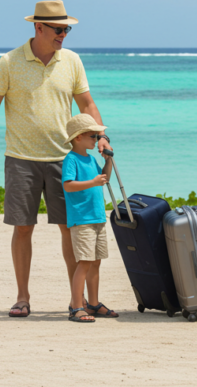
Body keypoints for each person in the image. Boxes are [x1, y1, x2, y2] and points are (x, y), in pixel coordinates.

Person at [0, 0, 112, 319]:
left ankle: (80, 301)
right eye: (58, 29)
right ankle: (22, 297)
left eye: (66, 29)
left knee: (70, 229)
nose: (64, 35)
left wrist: (101, 136)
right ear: (38, 28)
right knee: (22, 228)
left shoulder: (71, 61)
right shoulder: (10, 61)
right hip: (21, 159)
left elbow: (86, 104)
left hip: (65, 158)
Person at [61, 114, 117, 323]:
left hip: (97, 217)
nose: (97, 139)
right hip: (81, 218)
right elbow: (68, 185)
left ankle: (93, 303)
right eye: (92, 136)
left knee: (96, 262)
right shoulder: (71, 159)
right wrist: (92, 182)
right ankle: (77, 306)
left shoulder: (91, 159)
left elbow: (104, 179)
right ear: (78, 138)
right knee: (84, 262)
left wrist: (108, 161)